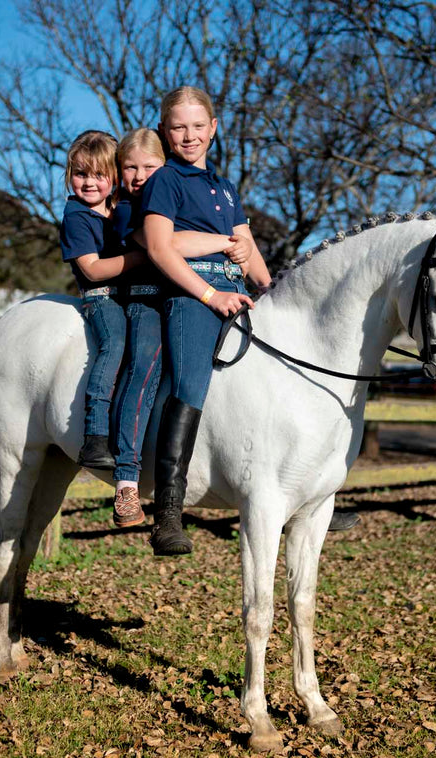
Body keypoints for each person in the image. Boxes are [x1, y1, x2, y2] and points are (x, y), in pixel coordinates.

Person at [138, 87, 272, 555]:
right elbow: (158, 248)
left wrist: (275, 295)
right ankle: (168, 515)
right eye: (179, 127)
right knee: (189, 384)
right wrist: (210, 295)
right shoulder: (165, 182)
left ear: (214, 128)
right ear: (164, 132)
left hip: (236, 295)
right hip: (191, 298)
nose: (189, 135)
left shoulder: (224, 188)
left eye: (198, 126)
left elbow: (248, 250)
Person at [107, 128, 252, 527]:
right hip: (146, 301)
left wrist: (243, 253)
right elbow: (169, 245)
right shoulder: (126, 210)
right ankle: (127, 479)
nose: (140, 176)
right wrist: (225, 242)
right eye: (130, 167)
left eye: (149, 166)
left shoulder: (186, 193)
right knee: (146, 367)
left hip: (175, 293)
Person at [58, 130, 142, 471]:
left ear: (114, 177)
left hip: (132, 296)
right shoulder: (76, 217)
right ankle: (94, 433)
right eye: (80, 174)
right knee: (115, 344)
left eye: (99, 175)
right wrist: (148, 256)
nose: (89, 183)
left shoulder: (122, 208)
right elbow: (92, 269)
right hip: (101, 297)